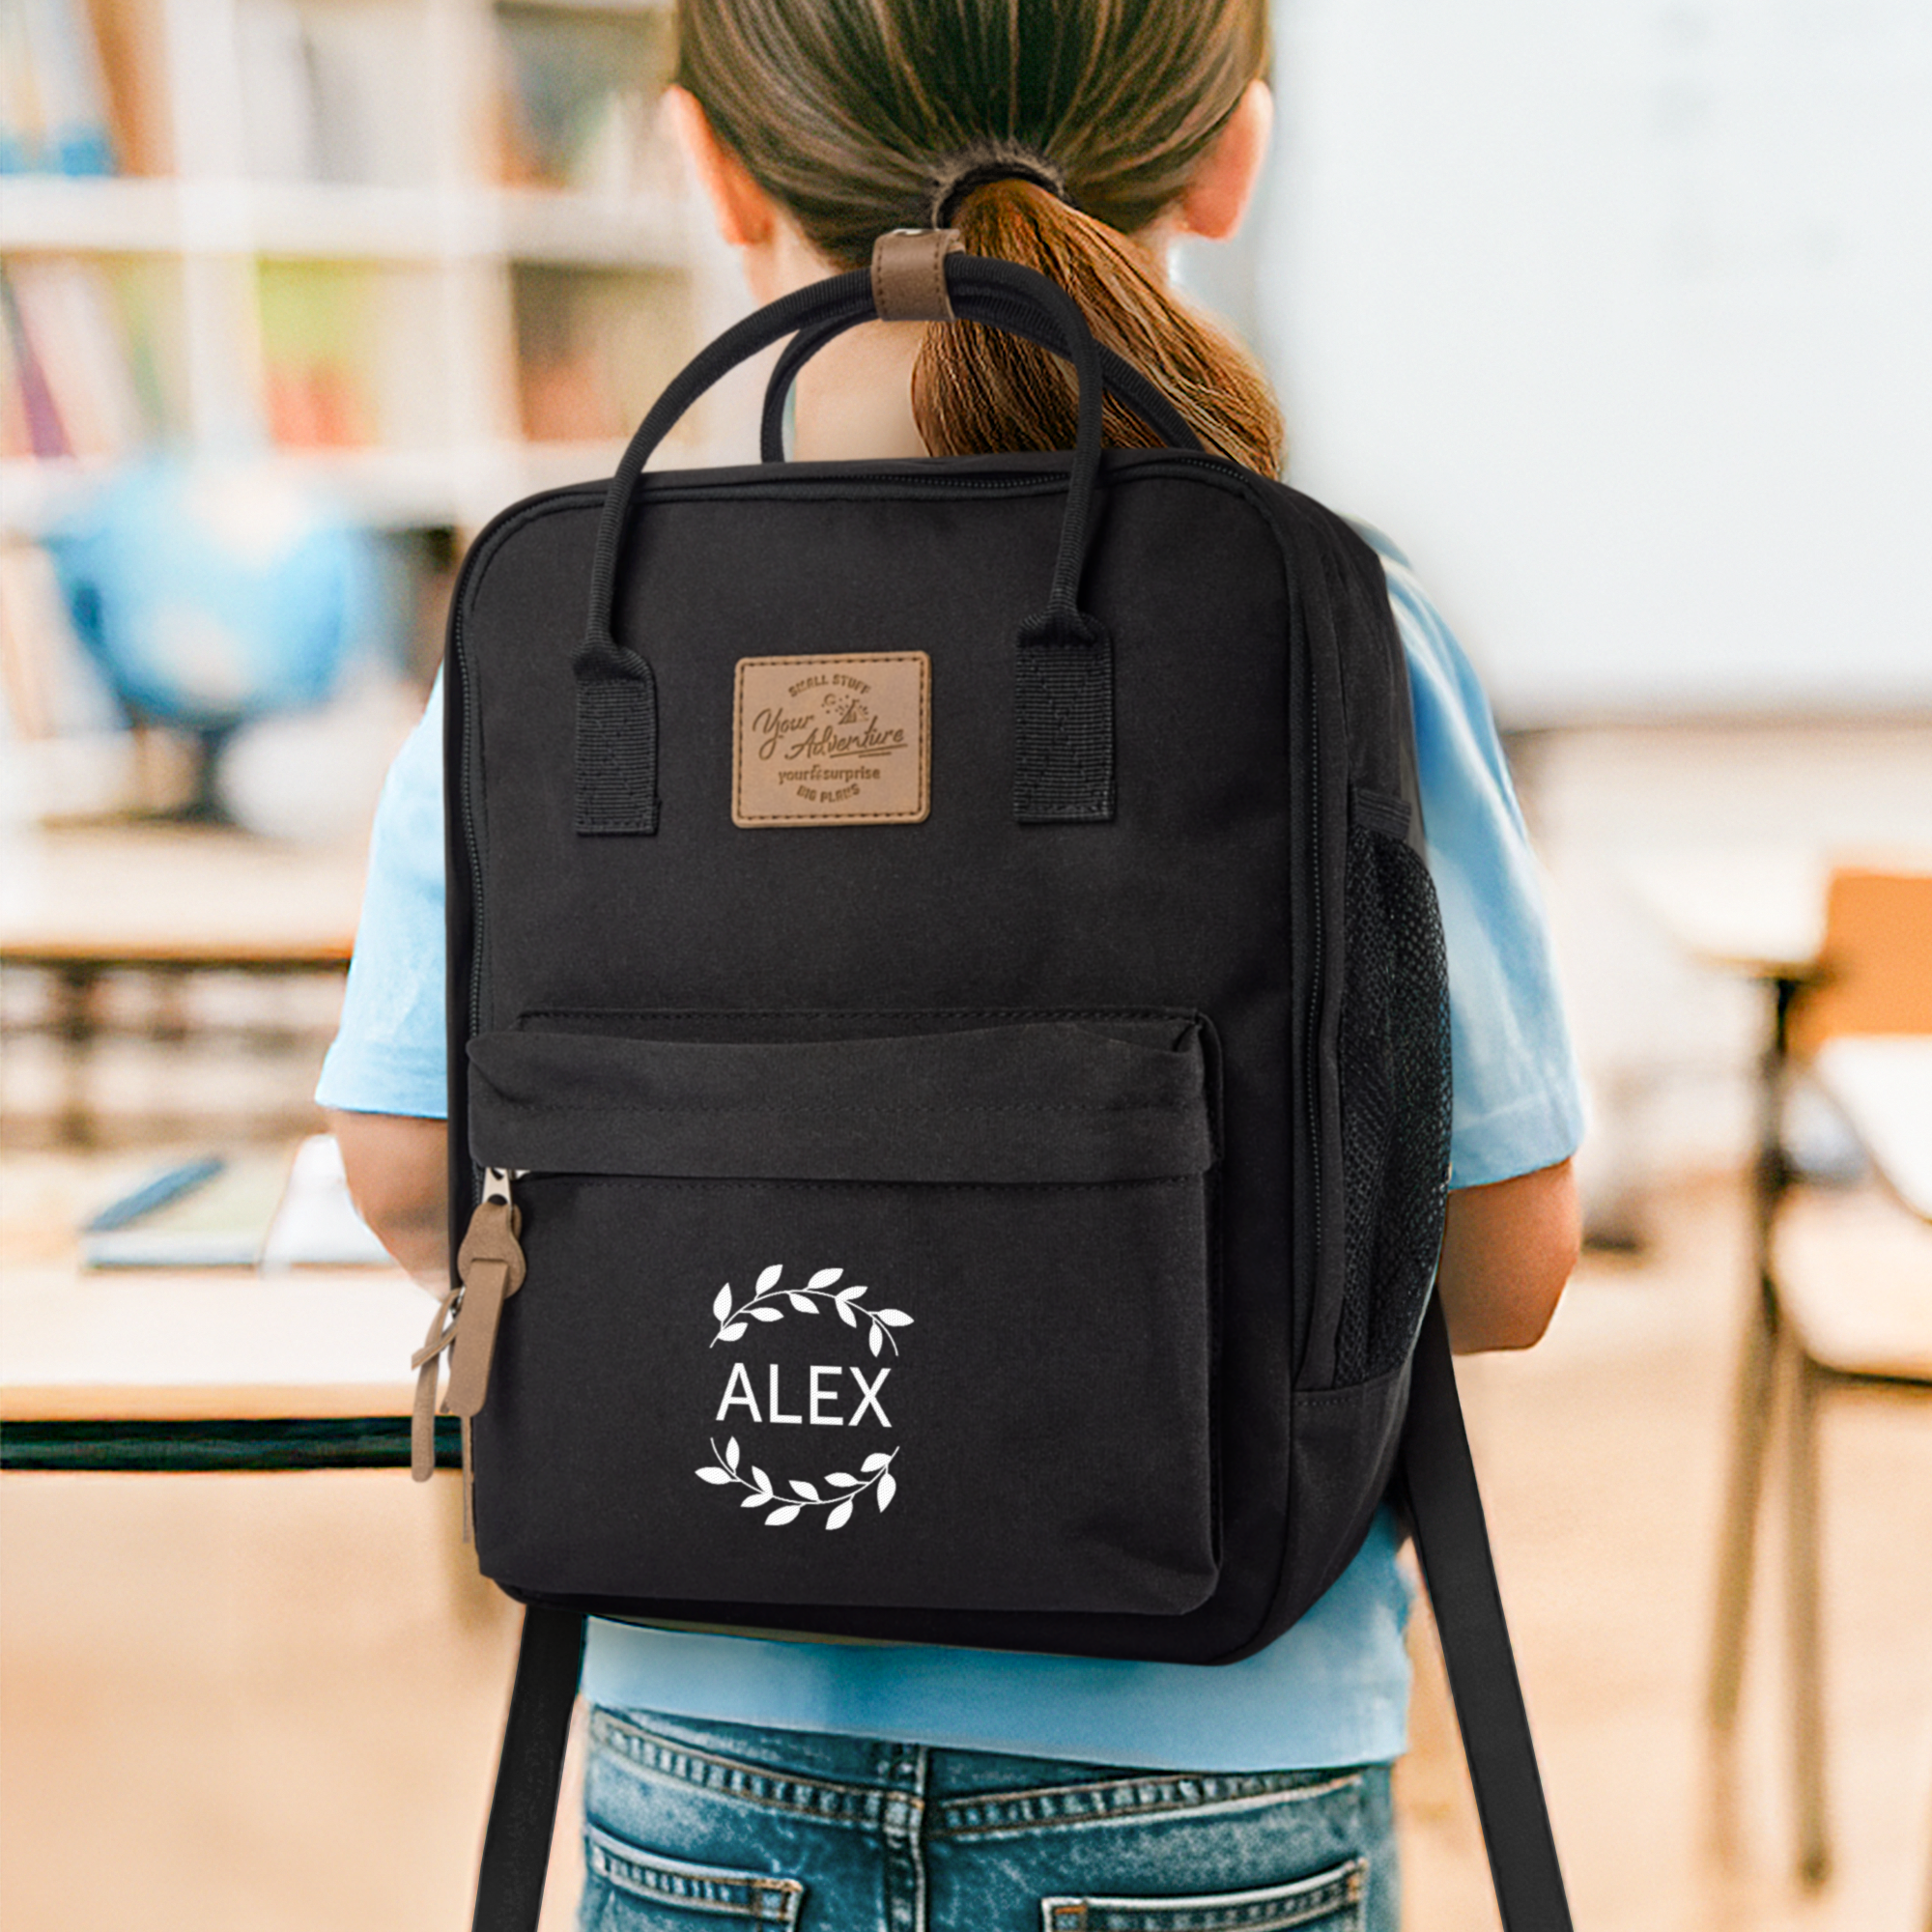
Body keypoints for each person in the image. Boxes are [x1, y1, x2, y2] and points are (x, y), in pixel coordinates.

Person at [320, 4, 1585, 1926]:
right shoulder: (1340, 613)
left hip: (697, 1738)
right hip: (1202, 1764)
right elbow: (1499, 1266)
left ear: (704, 161)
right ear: (1230, 154)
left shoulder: (580, 618)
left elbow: (412, 1174)